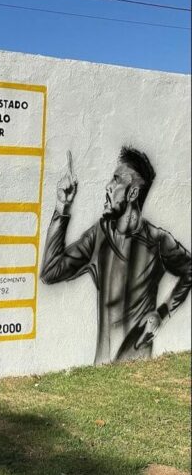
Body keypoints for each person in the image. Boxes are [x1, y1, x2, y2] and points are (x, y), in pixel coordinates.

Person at [40, 146, 191, 364]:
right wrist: (62, 206)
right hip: (103, 370)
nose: (108, 186)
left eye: (116, 180)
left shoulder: (159, 241)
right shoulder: (98, 236)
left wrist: (163, 313)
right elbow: (50, 272)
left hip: (139, 368)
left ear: (132, 193)